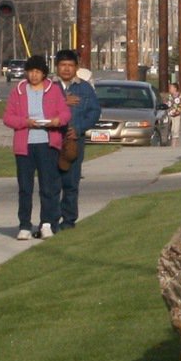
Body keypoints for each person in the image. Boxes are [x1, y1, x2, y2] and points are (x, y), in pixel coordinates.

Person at [3, 54, 71, 240]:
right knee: (25, 187)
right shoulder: (18, 90)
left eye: (37, 72)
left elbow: (65, 113)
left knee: (47, 187)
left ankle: (47, 223)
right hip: (24, 146)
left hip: (47, 144)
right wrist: (25, 122)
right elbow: (8, 118)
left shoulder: (54, 90)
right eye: (31, 71)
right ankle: (24, 225)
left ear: (43, 73)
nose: (34, 75)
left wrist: (56, 121)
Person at [53, 49, 101, 229]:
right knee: (52, 184)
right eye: (63, 65)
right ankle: (50, 221)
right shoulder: (49, 87)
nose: (66, 69)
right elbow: (40, 108)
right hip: (52, 140)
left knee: (71, 183)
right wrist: (62, 101)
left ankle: (68, 220)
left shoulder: (84, 88)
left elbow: (94, 112)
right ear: (57, 67)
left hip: (74, 141)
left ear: (76, 68)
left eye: (70, 65)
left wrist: (79, 129)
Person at [164, 82, 181, 147]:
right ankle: (170, 141)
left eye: (171, 88)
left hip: (177, 115)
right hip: (170, 115)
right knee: (171, 129)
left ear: (175, 88)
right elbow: (167, 104)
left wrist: (177, 111)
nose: (170, 89)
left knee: (176, 128)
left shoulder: (179, 96)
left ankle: (174, 143)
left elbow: (180, 105)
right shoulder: (169, 96)